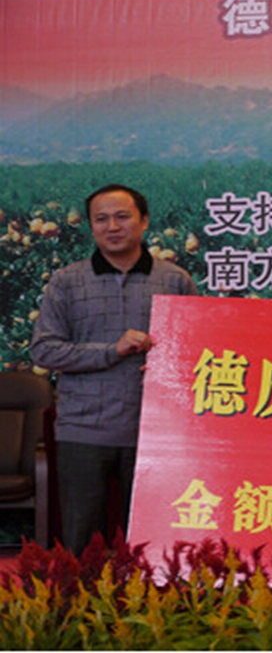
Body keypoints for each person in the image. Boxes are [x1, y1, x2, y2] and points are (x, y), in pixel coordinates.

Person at [30, 184, 198, 554]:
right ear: (90, 226)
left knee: (154, 546)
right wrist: (112, 350)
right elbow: (44, 350)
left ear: (144, 221)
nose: (113, 226)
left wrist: (170, 365)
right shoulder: (66, 281)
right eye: (101, 219)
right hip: (84, 430)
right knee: (81, 544)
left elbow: (197, 350)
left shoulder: (175, 280)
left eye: (123, 216)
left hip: (155, 432)